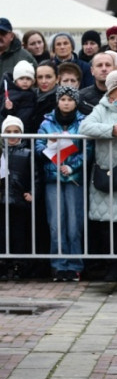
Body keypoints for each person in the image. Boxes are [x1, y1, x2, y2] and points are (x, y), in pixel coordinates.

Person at [80, 70, 117, 282]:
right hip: (107, 173)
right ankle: (112, 266)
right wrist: (111, 130)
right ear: (112, 92)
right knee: (108, 225)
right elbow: (85, 126)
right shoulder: (101, 109)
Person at [36, 85, 88, 282]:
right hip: (53, 178)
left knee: (74, 224)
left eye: (70, 99)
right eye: (63, 99)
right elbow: (39, 145)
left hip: (73, 179)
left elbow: (87, 149)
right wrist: (52, 154)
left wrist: (72, 166)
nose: (66, 103)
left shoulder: (83, 122)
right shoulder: (47, 122)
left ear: (76, 102)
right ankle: (58, 265)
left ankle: (75, 265)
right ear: (57, 101)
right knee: (56, 224)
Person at [0, 115, 36, 280]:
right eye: (8, 132)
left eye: (16, 131)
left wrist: (33, 191)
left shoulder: (28, 153)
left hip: (19, 200)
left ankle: (19, 265)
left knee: (19, 234)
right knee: (2, 234)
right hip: (2, 199)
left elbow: (35, 176)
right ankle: (3, 265)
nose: (12, 135)